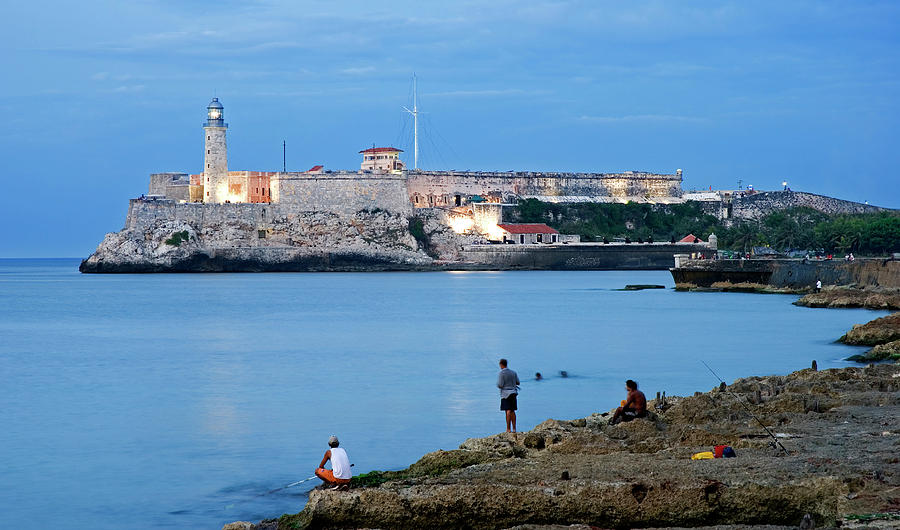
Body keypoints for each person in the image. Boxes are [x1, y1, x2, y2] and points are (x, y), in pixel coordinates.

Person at [497, 358, 520, 433]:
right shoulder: (513, 372)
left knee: (508, 411)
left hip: (505, 394)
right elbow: (518, 382)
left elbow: (500, 385)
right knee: (513, 410)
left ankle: (508, 429)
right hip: (513, 393)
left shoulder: (501, 373)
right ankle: (514, 429)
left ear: (501, 364)